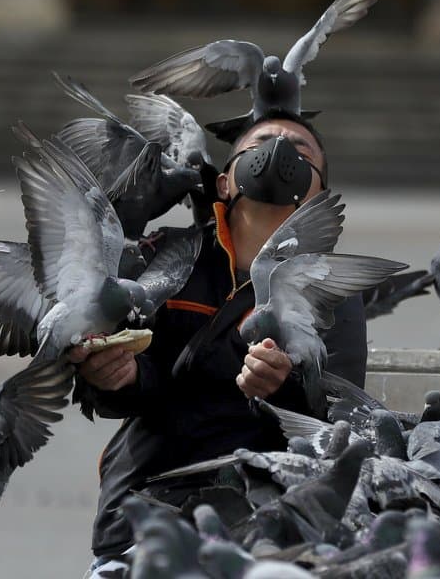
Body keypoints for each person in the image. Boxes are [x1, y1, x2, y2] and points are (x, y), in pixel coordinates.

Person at [69, 113, 367, 572]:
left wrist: (282, 386)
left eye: (302, 151)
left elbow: (339, 418)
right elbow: (116, 390)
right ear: (224, 184)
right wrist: (116, 375)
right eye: (264, 140)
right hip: (149, 505)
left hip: (259, 517)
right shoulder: (163, 255)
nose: (282, 146)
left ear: (318, 199)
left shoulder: (333, 293)